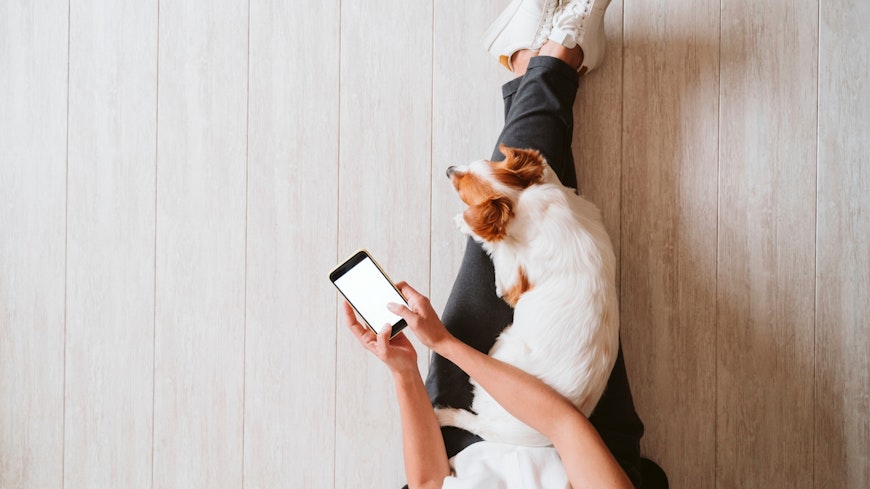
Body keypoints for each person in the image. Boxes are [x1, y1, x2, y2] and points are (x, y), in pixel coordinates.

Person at [347, 0, 667, 486]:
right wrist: (445, 345)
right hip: (580, 429)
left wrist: (405, 367)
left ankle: (542, 61)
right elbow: (563, 423)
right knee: (548, 221)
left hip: (465, 432)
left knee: (510, 213)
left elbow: (429, 483)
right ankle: (551, 59)